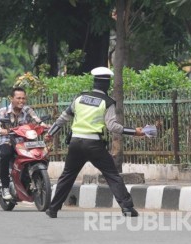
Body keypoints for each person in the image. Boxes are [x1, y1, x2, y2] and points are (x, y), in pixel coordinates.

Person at [44, 67, 144, 218]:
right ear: (108, 84)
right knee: (112, 175)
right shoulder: (108, 102)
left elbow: (63, 118)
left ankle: (53, 209)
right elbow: (112, 127)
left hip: (76, 143)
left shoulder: (79, 98)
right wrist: (134, 132)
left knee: (67, 175)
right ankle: (127, 208)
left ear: (94, 83)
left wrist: (50, 134)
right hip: (94, 144)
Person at [0, 87, 45, 200]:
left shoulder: (27, 110)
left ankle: (37, 178)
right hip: (7, 140)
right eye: (18, 98)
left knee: (40, 154)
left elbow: (37, 120)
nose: (21, 101)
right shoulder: (3, 111)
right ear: (12, 98)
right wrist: (3, 131)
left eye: (23, 98)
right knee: (6, 155)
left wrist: (45, 126)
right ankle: (5, 188)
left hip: (24, 142)